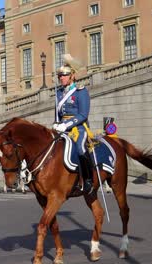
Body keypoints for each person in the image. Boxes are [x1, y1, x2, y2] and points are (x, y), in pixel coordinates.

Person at [52, 54, 93, 194]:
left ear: (72, 76)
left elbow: (83, 114)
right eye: (60, 76)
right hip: (62, 128)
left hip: (78, 128)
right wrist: (56, 124)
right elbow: (58, 112)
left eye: (64, 75)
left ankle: (88, 179)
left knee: (81, 149)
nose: (61, 78)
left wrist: (66, 124)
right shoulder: (58, 93)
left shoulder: (80, 92)